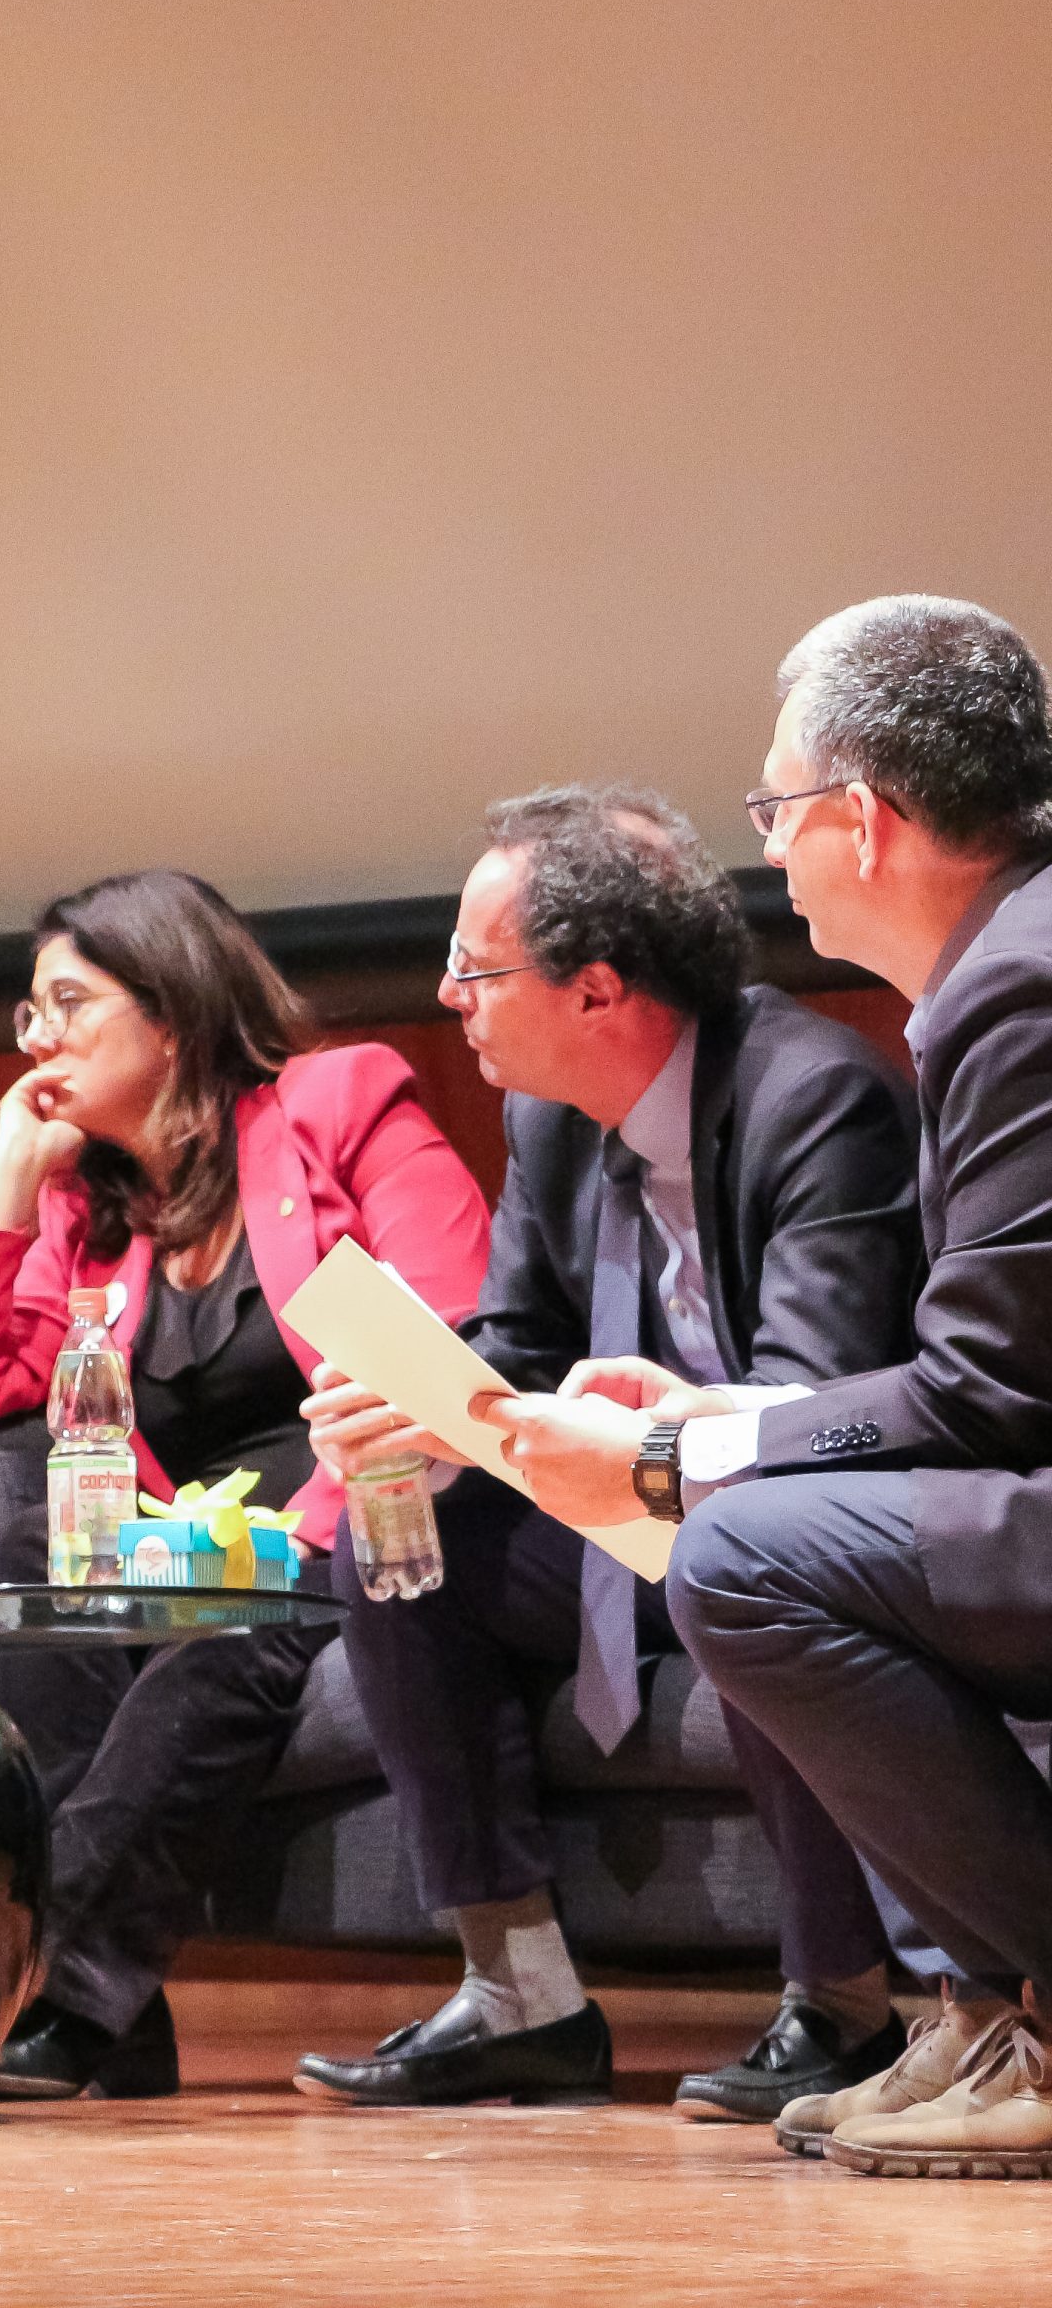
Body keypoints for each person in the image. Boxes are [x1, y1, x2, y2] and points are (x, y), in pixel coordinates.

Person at [498, 599, 1052, 2176]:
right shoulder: (1010, 962)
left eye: (775, 809)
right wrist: (701, 1421)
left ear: (861, 822)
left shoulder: (1024, 989)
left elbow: (993, 1393)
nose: (775, 855)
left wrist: (683, 1456)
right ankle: (986, 2007)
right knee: (760, 1509)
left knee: (739, 1548)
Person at [296, 787, 922, 2114]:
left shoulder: (818, 1097)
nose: (449, 994)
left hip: (800, 1506)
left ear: (596, 989)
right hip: (624, 1500)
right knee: (402, 1530)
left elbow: (817, 1400)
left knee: (745, 1541)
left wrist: (626, 1444)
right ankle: (518, 1993)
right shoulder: (548, 1119)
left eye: (476, 966)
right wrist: (427, 1417)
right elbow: (519, 1345)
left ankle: (845, 2010)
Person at [0, 868, 491, 2098]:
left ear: (168, 1009)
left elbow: (457, 1312)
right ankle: (108, 2013)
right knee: (30, 1556)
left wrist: (291, 1533)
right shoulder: (88, 1210)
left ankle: (48, 1988)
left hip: (353, 1513)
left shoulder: (338, 1101)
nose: (38, 1037)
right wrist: (10, 1169)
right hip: (178, 1543)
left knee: (230, 1615)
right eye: (27, 1014)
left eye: (67, 1003)